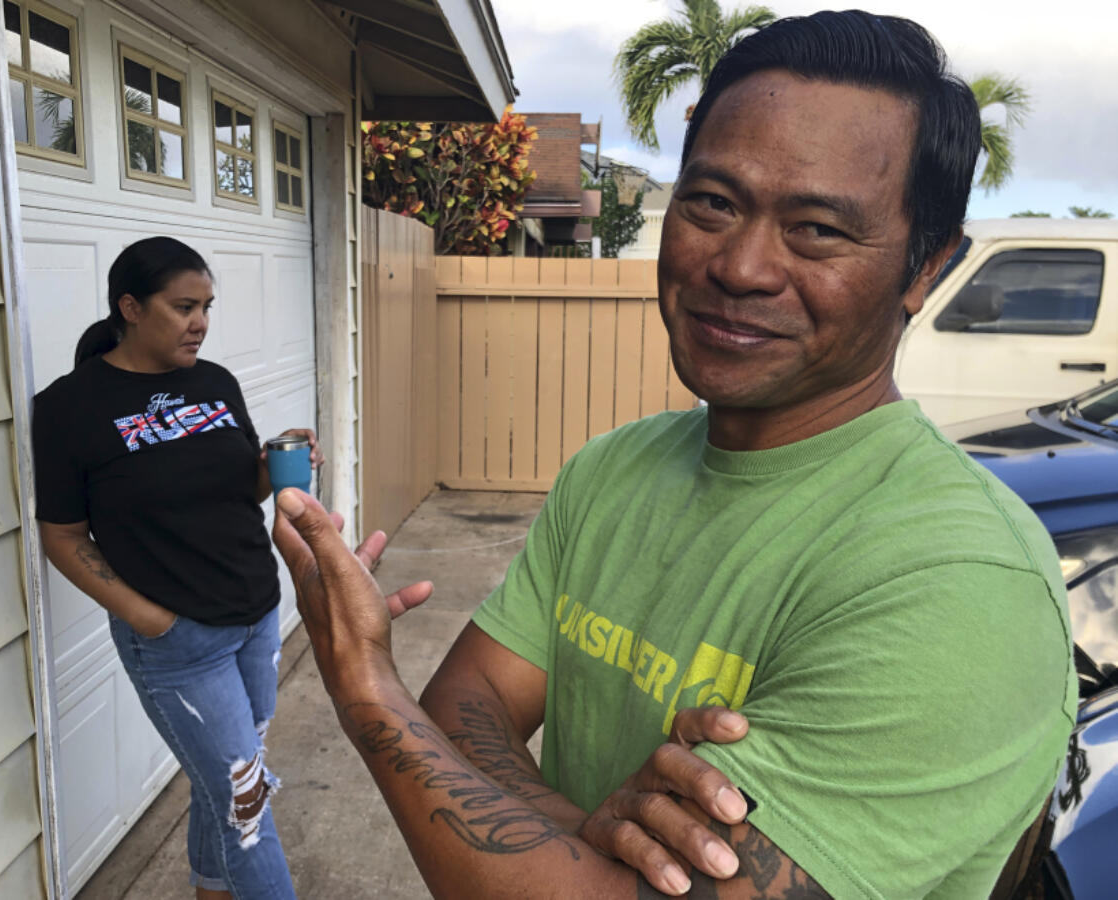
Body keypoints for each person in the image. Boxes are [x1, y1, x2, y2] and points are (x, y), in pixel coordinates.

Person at [272, 11, 1076, 900]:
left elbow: (446, 738)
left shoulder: (959, 581)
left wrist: (366, 686)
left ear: (926, 270)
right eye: (712, 203)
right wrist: (587, 839)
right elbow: (472, 710)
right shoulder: (615, 469)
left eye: (816, 229)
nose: (740, 266)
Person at [32, 236, 322, 900]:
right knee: (246, 806)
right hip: (179, 643)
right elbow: (63, 533)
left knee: (221, 782)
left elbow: (238, 488)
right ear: (130, 307)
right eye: (184, 307)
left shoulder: (214, 382)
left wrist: (280, 463)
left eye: (207, 307)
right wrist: (149, 619)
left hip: (255, 616)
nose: (201, 323)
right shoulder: (70, 407)